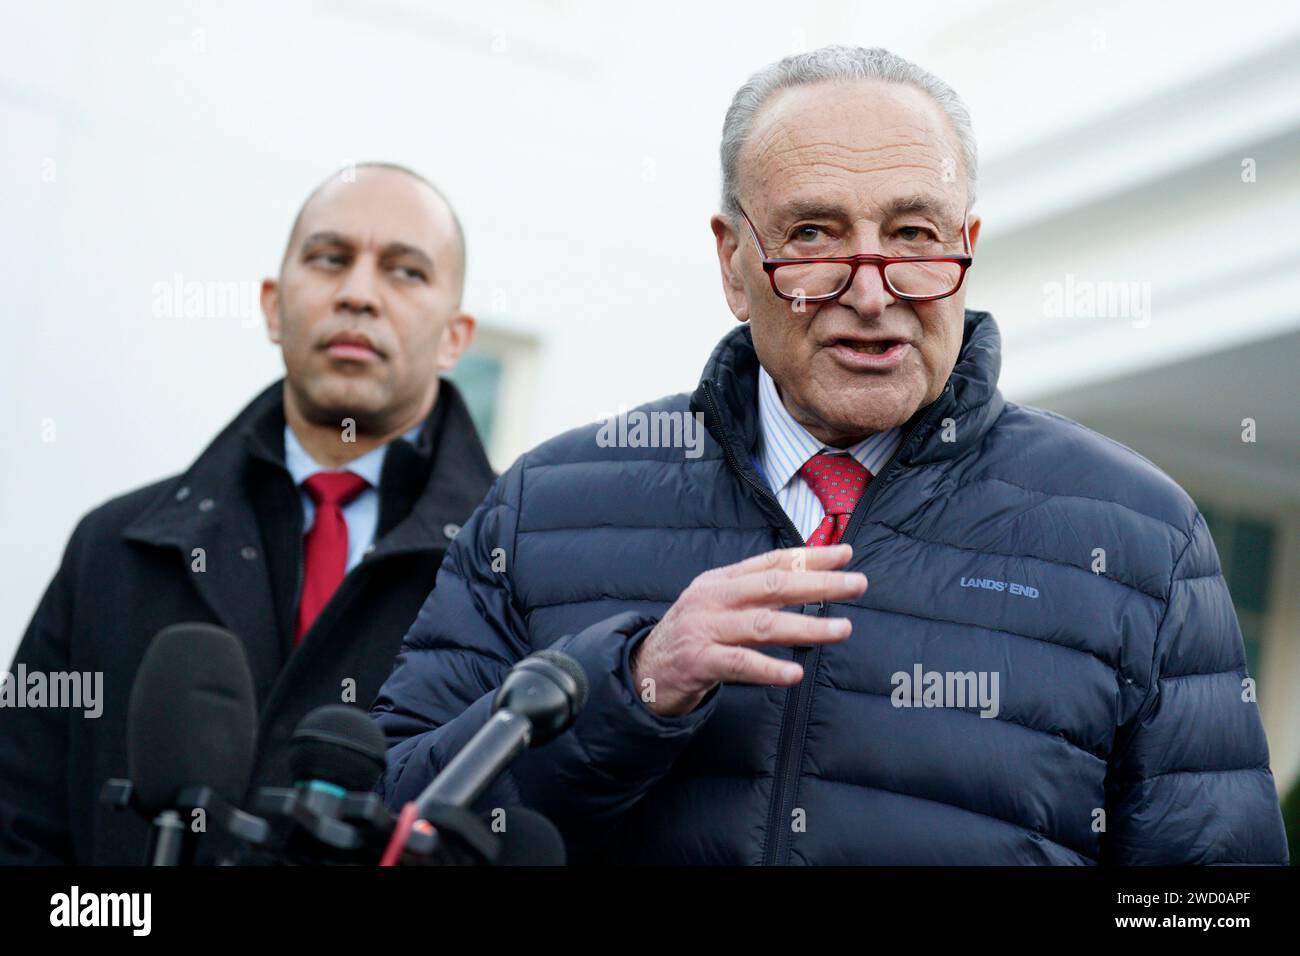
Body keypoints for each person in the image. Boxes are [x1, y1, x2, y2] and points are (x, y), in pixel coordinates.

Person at [371, 47, 1289, 864]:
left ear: (966, 249)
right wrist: (634, 684)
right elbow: (389, 824)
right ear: (733, 263)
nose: (871, 289)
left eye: (914, 235)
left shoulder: (1143, 539)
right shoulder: (546, 507)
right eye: (813, 235)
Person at [0, 163, 495, 864]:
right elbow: (18, 830)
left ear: (456, 335)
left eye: (405, 272)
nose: (358, 294)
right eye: (330, 259)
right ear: (272, 304)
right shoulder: (114, 549)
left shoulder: (513, 576)